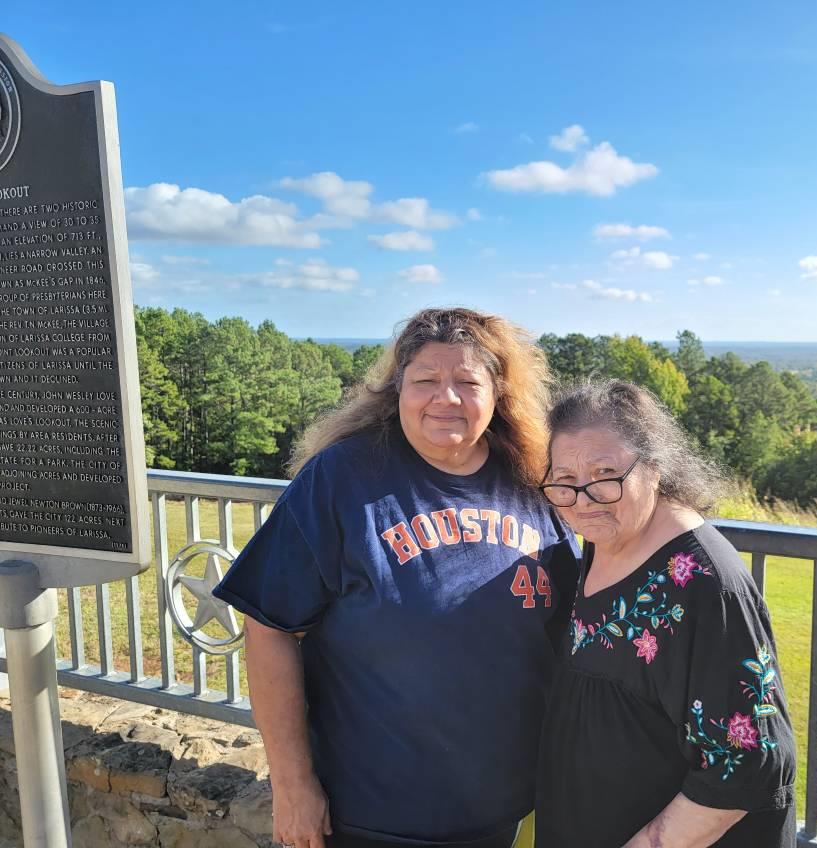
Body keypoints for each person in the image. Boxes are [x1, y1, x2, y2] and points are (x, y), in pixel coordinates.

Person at [214, 308, 579, 848]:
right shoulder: (342, 479)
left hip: (506, 809)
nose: (445, 398)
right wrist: (294, 787)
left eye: (467, 381)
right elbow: (268, 627)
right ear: (396, 390)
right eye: (425, 380)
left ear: (499, 393)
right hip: (369, 815)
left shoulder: (535, 482)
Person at [535, 379, 797, 848]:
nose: (583, 499)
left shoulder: (702, 582)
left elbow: (747, 760)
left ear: (654, 469)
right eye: (565, 481)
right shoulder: (607, 538)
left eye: (605, 474)